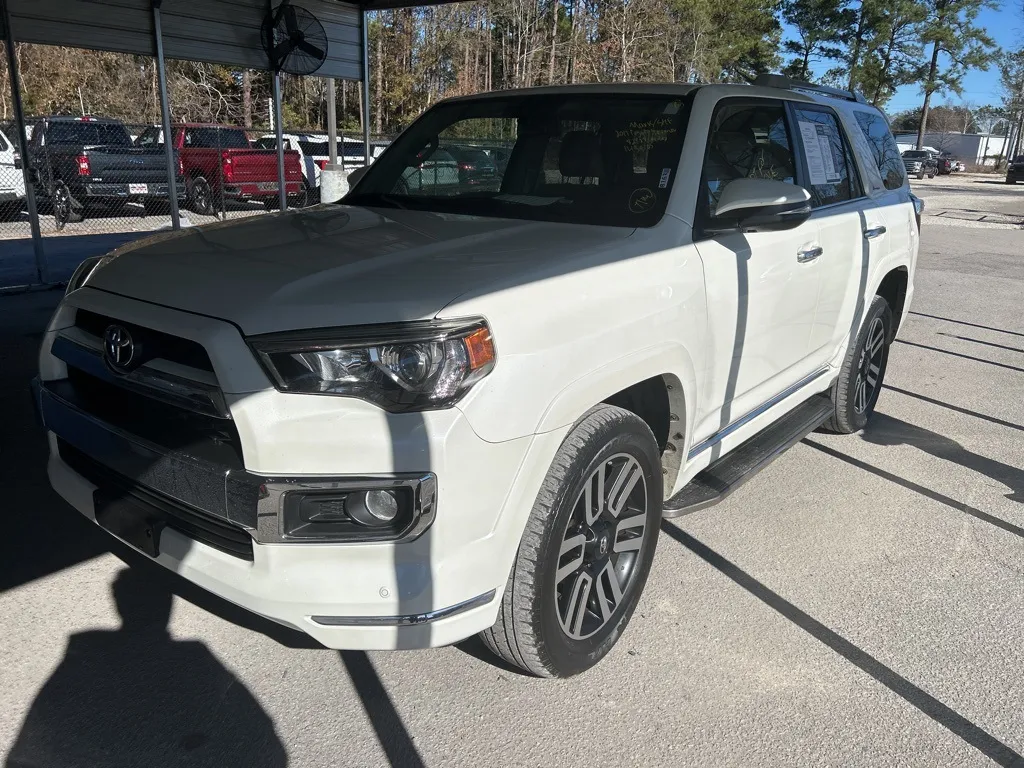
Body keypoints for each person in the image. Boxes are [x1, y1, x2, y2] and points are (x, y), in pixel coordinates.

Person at [6, 568, 287, 768]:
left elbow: (39, 730)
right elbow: (254, 723)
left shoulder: (84, 654)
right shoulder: (193, 656)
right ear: (168, 608)